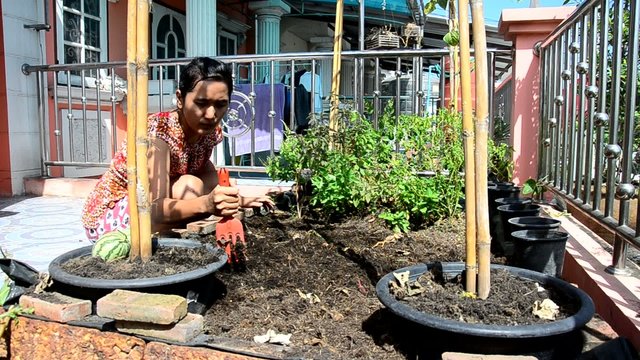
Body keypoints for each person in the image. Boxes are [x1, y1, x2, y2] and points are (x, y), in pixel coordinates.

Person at [81, 57, 273, 241]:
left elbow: (209, 176)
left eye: (221, 104)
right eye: (201, 103)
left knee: (199, 185)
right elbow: (152, 210)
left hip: (147, 210)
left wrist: (237, 200)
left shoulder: (208, 133)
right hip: (112, 215)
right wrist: (207, 204)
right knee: (189, 190)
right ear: (180, 99)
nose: (211, 114)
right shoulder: (158, 135)